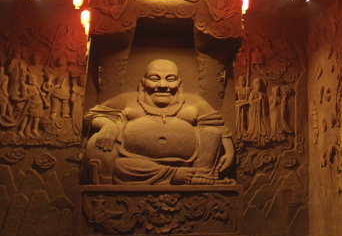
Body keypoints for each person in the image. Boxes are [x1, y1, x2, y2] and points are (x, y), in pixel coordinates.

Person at [82, 58, 235, 184]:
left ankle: (201, 177)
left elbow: (218, 128)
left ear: (179, 83)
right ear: (143, 82)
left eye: (170, 79)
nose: (162, 85)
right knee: (122, 166)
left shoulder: (195, 102)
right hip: (136, 164)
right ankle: (175, 175)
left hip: (190, 164)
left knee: (211, 133)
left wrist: (229, 152)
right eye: (154, 79)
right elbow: (92, 115)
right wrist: (107, 124)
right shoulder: (127, 100)